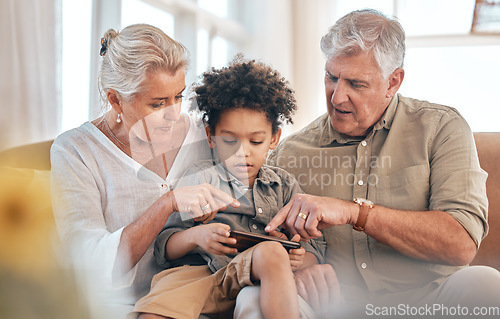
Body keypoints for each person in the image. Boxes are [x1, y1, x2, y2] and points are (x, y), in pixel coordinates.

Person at [236, 9, 500, 318]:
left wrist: (354, 212)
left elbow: (461, 243)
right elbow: (260, 234)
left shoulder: (441, 128)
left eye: (356, 84)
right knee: (252, 300)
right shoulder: (289, 153)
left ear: (393, 82)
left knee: (487, 284)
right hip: (332, 307)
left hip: (429, 302)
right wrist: (298, 265)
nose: (337, 97)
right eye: (331, 77)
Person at [50, 24, 240, 319]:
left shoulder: (202, 134)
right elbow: (89, 267)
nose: (174, 114)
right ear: (115, 100)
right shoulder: (76, 151)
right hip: (119, 308)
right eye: (157, 103)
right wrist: (168, 203)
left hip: (199, 296)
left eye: (178, 96)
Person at [129, 58, 325, 319]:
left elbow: (315, 249)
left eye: (256, 141)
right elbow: (165, 246)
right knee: (151, 314)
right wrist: (196, 237)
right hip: (198, 277)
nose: (242, 153)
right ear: (211, 136)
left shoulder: (285, 186)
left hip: (256, 280)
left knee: (273, 253)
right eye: (230, 141)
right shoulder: (200, 178)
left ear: (274, 139)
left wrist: (301, 259)